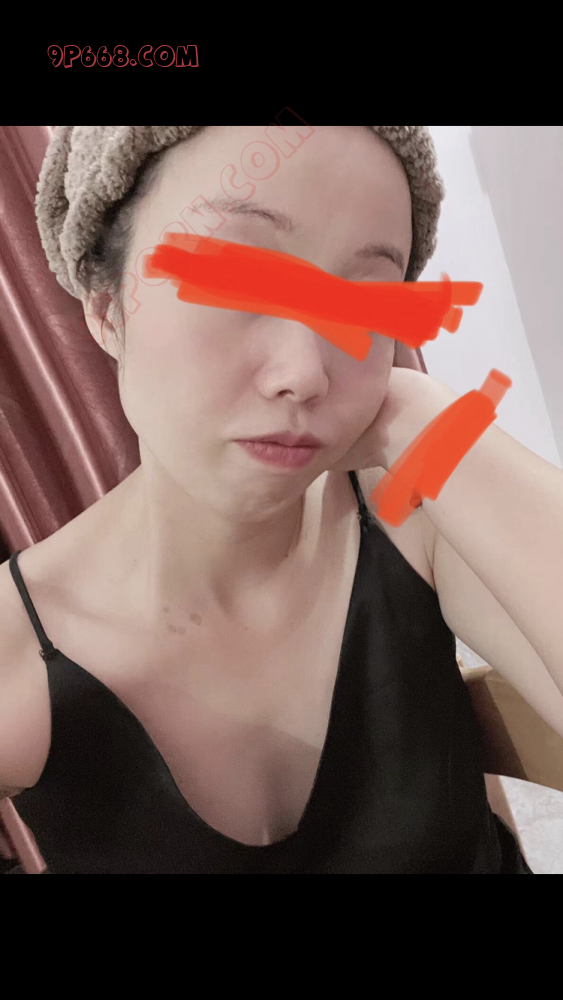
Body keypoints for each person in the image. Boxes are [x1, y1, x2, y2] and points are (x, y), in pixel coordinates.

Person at [0, 126, 536, 872]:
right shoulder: (19, 648)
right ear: (107, 308)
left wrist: (423, 418)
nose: (305, 372)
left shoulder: (412, 516)